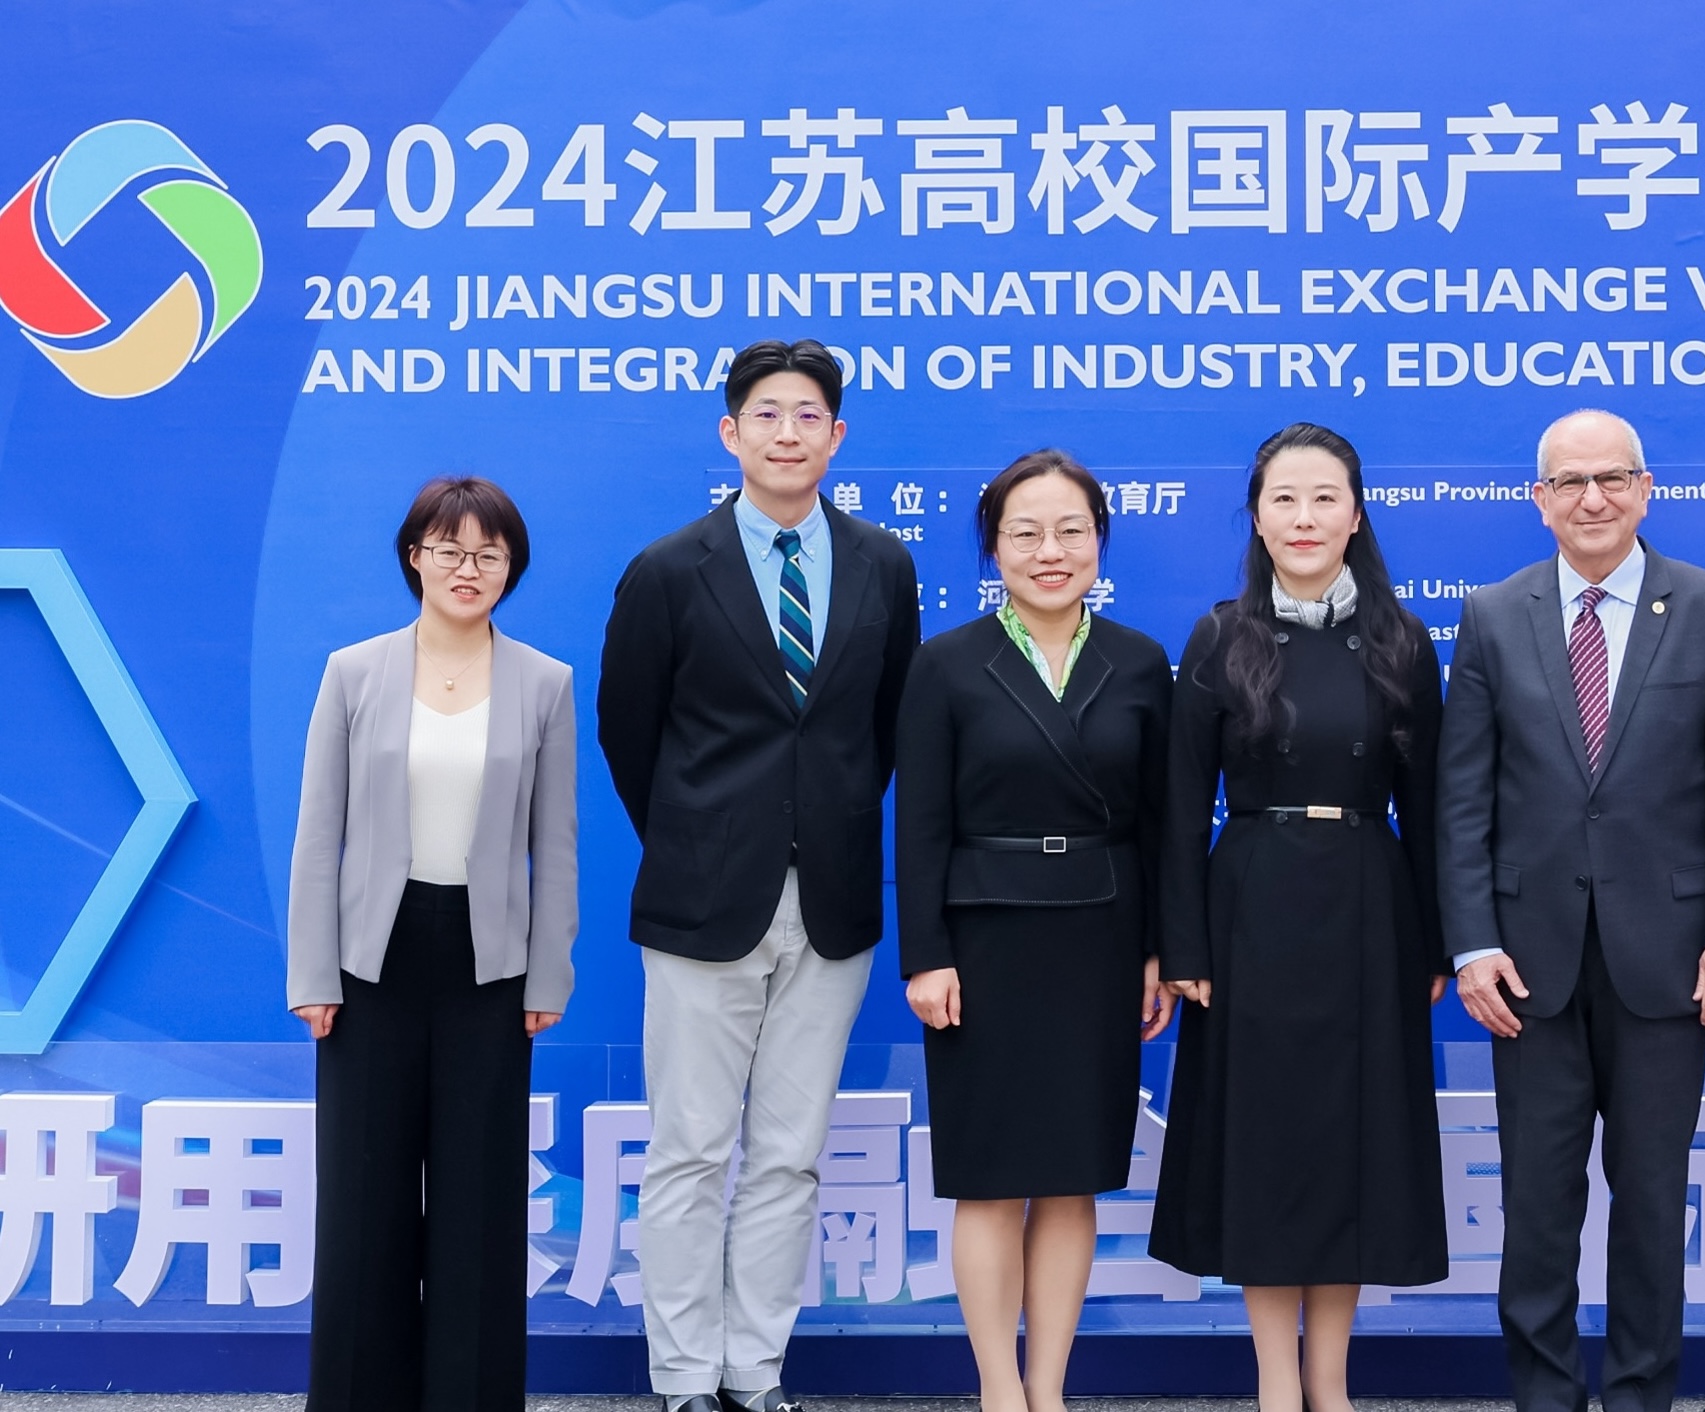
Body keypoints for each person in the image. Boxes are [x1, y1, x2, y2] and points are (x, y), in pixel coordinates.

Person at [596, 338, 923, 1412]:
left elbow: (885, 730)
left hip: (831, 900)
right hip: (702, 901)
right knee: (690, 1149)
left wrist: (813, 826)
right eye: (767, 414)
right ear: (730, 432)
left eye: (808, 415)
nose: (789, 433)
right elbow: (628, 731)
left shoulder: (882, 563)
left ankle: (755, 1372)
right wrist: (704, 834)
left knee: (790, 1154)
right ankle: (686, 1375)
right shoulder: (666, 568)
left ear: (837, 435)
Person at [1437, 409, 1705, 1412]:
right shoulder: (1494, 613)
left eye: (1612, 478)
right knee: (1536, 1211)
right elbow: (1464, 798)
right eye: (1570, 481)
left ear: (1644, 488)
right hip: (1525, 967)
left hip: (1669, 964)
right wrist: (1469, 942)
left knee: (1648, 1206)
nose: (1593, 498)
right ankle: (1544, 1397)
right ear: (1537, 498)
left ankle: (1640, 1396)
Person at [1150, 422, 1449, 1412]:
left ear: (1356, 514)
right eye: (1284, 498)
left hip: (1369, 909)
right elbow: (1181, 803)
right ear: (1257, 515)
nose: (1305, 517)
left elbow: (1435, 806)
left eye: (1325, 497)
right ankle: (1278, 1381)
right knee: (1266, 1146)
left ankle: (1332, 1379)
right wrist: (1180, 942)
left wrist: (1440, 940)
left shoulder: (1401, 639)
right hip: (1249, 909)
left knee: (1350, 1143)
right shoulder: (1218, 635)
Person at [895, 449, 1175, 1412]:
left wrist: (1159, 952)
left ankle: (1049, 1388)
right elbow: (920, 821)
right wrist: (925, 953)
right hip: (983, 945)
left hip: (1100, 935)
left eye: (1070, 531)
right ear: (992, 547)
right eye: (1025, 532)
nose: (1049, 551)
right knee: (990, 1177)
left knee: (1071, 1178)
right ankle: (998, 1388)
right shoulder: (946, 662)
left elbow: (1160, 825)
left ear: (1100, 541)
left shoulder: (1138, 661)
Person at [288, 475, 576, 1411]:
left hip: (489, 965)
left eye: (488, 554)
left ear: (510, 569)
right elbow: (317, 834)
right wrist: (311, 971)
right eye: (448, 549)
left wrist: (549, 970)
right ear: (414, 555)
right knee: (364, 1200)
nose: (468, 568)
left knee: (479, 1204)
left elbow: (556, 844)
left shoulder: (544, 682)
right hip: (369, 962)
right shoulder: (354, 671)